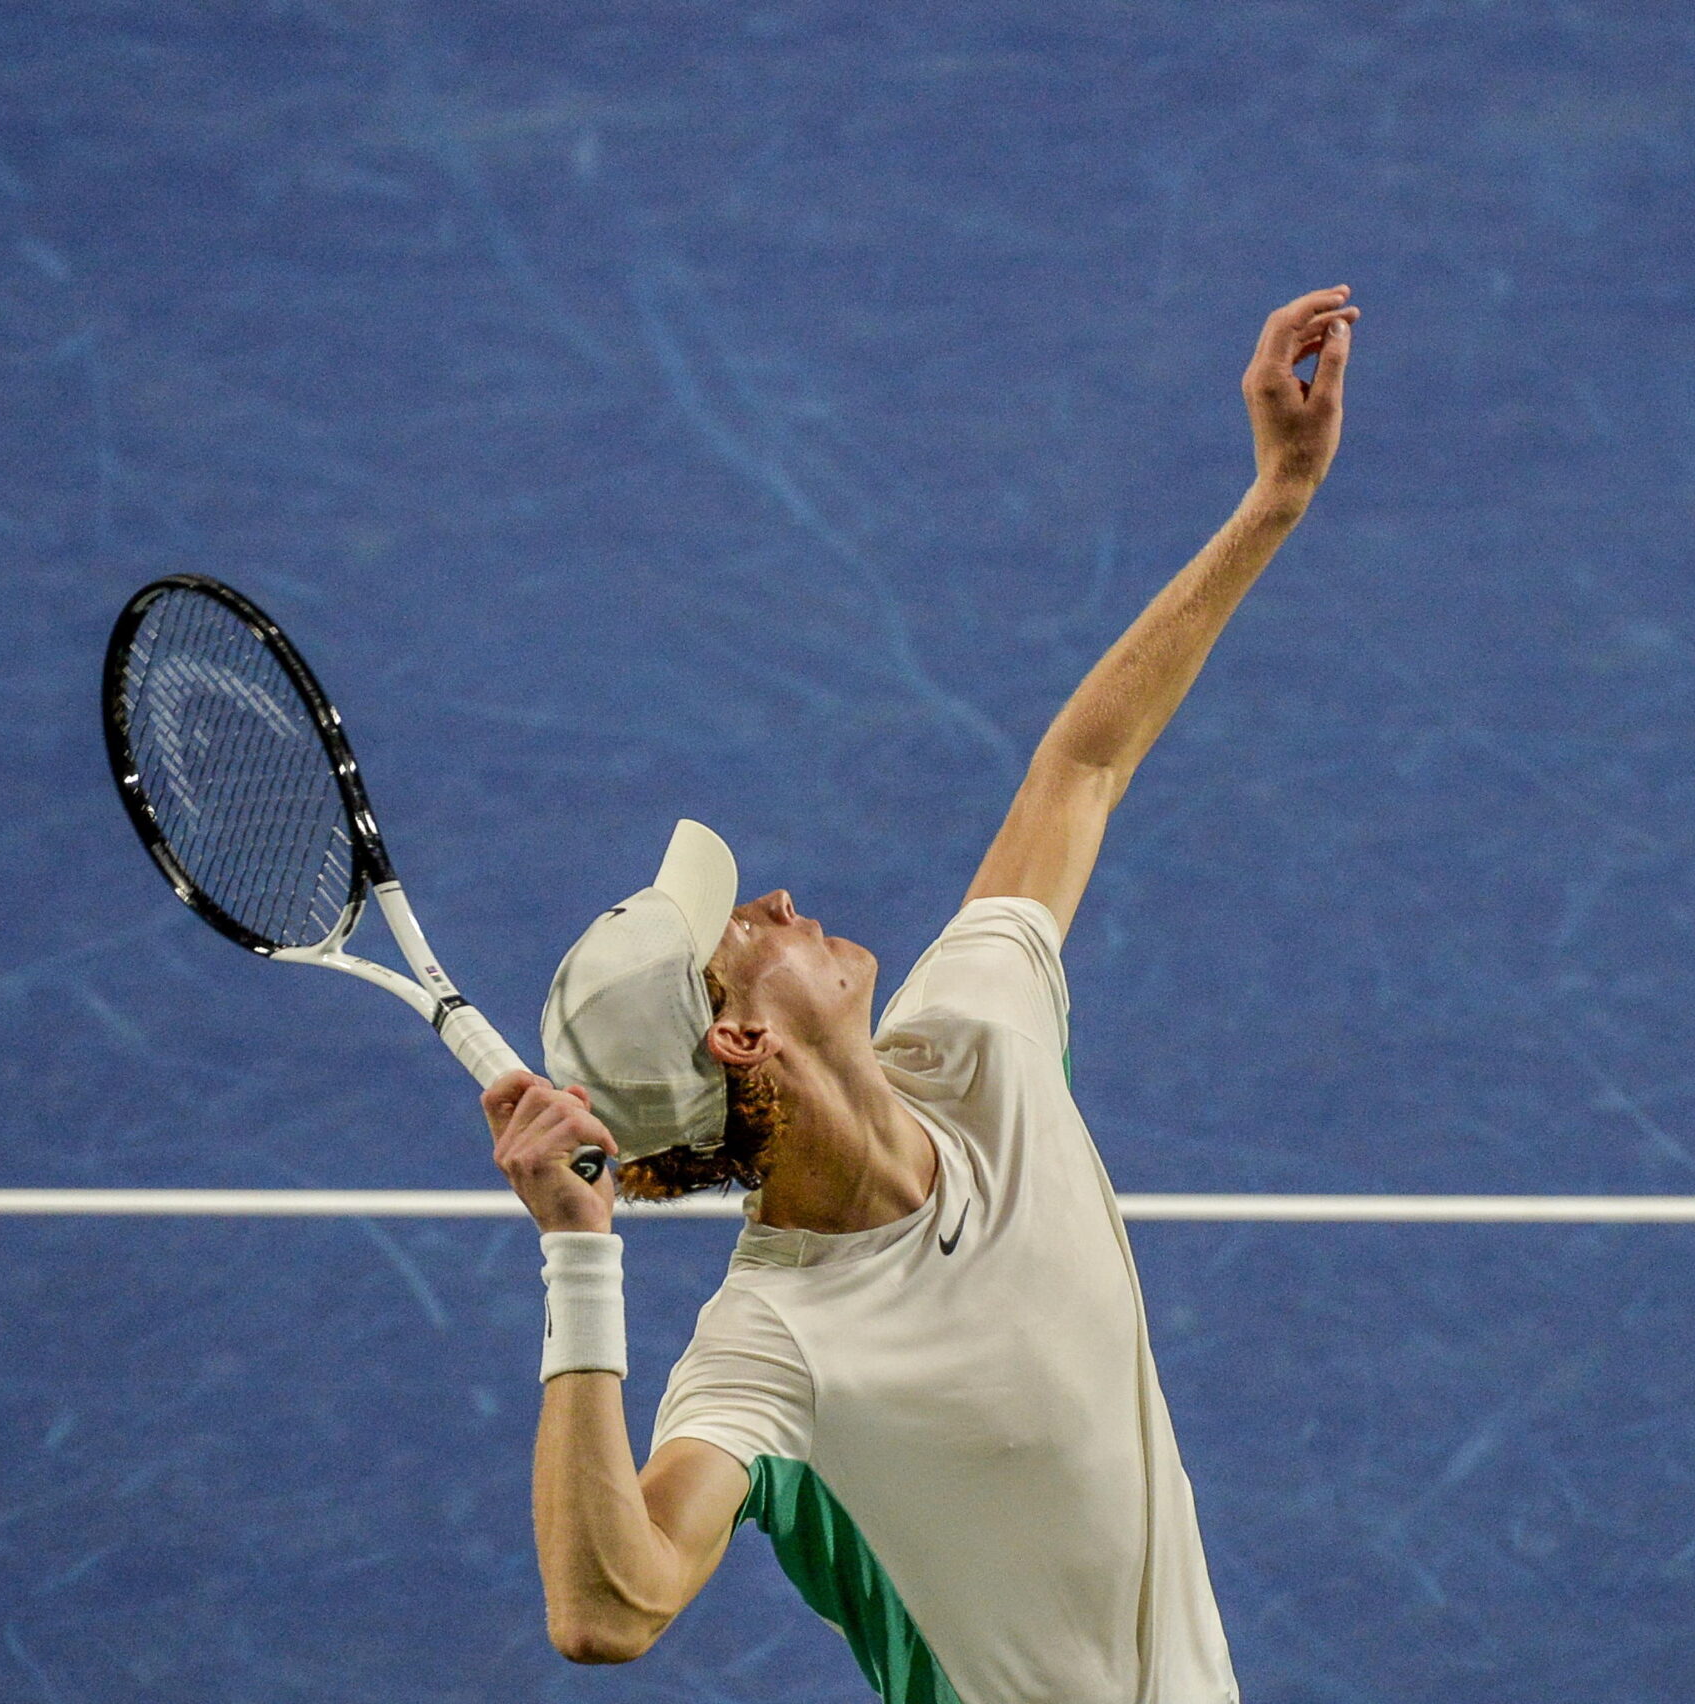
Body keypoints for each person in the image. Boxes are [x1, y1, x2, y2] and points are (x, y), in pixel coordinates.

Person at [481, 285, 1358, 1703]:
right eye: (734, 932)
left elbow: (1079, 767)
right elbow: (609, 1610)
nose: (771, 900)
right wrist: (581, 1255)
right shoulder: (772, 1351)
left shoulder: (973, 1044)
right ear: (739, 1036)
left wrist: (1275, 498)